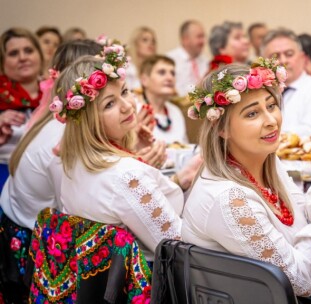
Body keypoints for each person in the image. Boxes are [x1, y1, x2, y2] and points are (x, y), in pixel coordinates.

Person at [182, 59, 311, 297]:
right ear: (222, 129)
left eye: (271, 106)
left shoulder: (267, 163)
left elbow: (301, 219)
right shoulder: (229, 199)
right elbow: (303, 282)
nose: (271, 120)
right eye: (252, 113)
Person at [51, 53, 186, 258]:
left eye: (124, 91)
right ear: (88, 120)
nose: (127, 106)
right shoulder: (127, 175)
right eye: (109, 104)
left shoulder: (72, 163)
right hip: (150, 282)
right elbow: (178, 249)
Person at [0, 39, 102, 304]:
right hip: (30, 247)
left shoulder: (50, 117)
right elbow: (78, 208)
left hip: (16, 228)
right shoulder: (64, 134)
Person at [261, 28, 311, 138]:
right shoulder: (260, 93)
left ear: (302, 58)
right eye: (275, 56)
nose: (283, 60)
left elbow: (310, 133)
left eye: (289, 54)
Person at [0, 28, 44, 186]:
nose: (23, 58)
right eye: (13, 53)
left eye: (29, 50)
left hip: (48, 178)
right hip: (5, 176)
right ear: (2, 61)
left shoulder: (57, 92)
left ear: (40, 55)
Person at [137, 55, 189, 143]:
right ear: (144, 80)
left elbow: (186, 148)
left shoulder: (176, 111)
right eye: (162, 72)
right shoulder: (135, 109)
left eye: (172, 73)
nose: (170, 78)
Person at [166, 20, 209, 98]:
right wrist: (197, 88)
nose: (203, 41)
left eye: (203, 36)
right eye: (199, 37)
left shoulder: (205, 61)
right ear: (185, 39)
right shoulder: (169, 60)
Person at [126, 26, 157, 91]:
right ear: (135, 43)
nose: (151, 44)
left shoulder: (156, 68)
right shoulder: (127, 67)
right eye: (145, 40)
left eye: (153, 41)